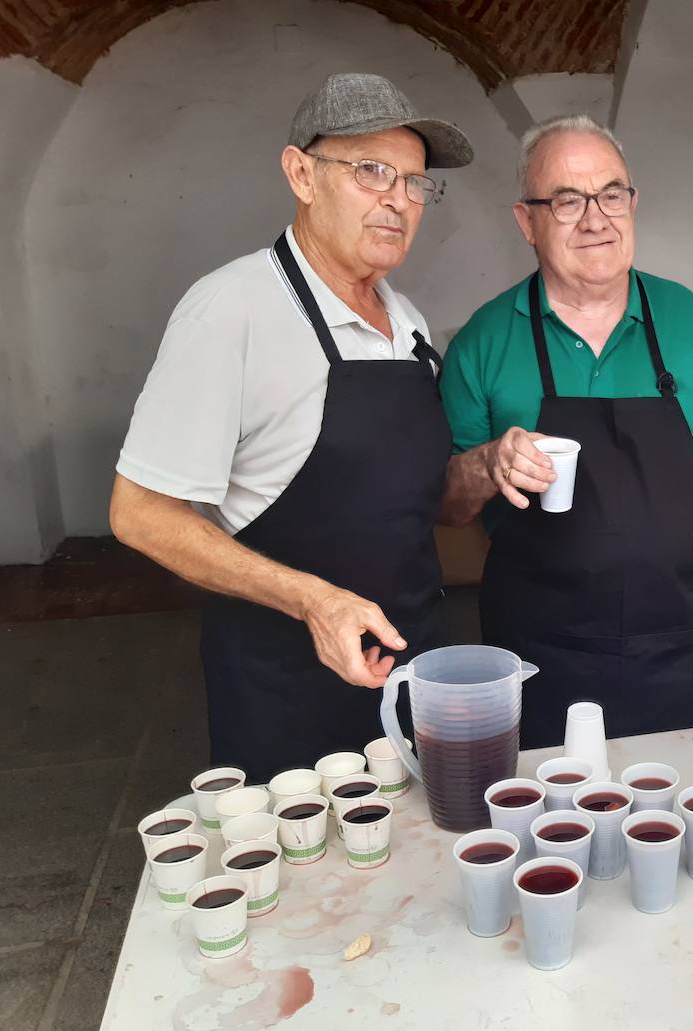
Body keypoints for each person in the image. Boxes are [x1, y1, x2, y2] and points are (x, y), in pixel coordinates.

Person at [109, 73, 473, 782]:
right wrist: (312, 599)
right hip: (285, 684)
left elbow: (409, 497)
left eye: (414, 183)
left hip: (411, 662)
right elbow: (139, 513)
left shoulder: (409, 323)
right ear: (301, 174)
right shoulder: (229, 314)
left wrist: (486, 466)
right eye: (372, 172)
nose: (397, 200)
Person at [439, 115, 693, 748]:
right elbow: (446, 507)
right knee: (552, 837)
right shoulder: (484, 340)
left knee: (683, 827)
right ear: (526, 221)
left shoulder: (687, 318)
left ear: (633, 204)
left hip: (683, 648)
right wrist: (487, 464)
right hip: (539, 661)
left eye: (611, 194)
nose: (596, 219)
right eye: (566, 200)